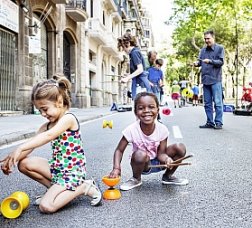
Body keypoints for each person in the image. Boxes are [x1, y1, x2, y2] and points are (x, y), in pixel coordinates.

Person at [0, 75, 102, 213]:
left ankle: (83, 187)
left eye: (45, 109)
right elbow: (32, 145)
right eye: (39, 110)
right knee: (23, 164)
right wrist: (11, 159)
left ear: (59, 102)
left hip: (72, 172)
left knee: (46, 207)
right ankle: (56, 191)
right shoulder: (47, 126)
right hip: (57, 169)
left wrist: (20, 147)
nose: (42, 113)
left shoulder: (68, 119)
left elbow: (48, 136)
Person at [109, 92, 188, 191]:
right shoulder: (131, 130)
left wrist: (167, 159)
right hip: (142, 164)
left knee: (180, 147)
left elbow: (161, 154)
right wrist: (116, 168)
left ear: (157, 110)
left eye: (151, 107)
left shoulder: (162, 129)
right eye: (141, 108)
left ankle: (168, 176)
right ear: (135, 112)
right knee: (139, 154)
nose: (146, 111)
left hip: (160, 162)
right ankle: (136, 179)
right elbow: (119, 151)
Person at [193, 30, 225, 129]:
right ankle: (210, 122)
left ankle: (218, 122)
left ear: (213, 38)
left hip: (215, 79)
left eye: (208, 38)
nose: (207, 40)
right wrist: (196, 64)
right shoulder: (202, 51)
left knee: (218, 102)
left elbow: (221, 62)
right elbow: (200, 62)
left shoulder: (220, 48)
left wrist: (210, 61)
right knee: (207, 103)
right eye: (205, 39)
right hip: (205, 80)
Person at [118, 33, 152, 100]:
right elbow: (137, 70)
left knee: (139, 104)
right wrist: (128, 75)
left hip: (140, 82)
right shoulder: (134, 52)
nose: (123, 50)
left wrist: (127, 78)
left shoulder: (134, 53)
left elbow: (140, 69)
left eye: (123, 47)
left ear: (128, 44)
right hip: (140, 81)